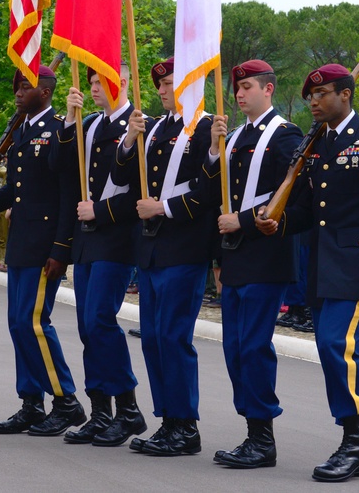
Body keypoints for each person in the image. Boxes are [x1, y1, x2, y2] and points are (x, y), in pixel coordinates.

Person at [258, 64, 359, 481]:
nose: (314, 102)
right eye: (310, 96)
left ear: (345, 94)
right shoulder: (317, 144)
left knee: (335, 345)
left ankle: (354, 440)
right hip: (322, 265)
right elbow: (307, 210)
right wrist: (279, 222)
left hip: (357, 267)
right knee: (332, 350)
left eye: (322, 94)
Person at [0, 65, 84, 437]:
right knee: (18, 326)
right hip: (22, 245)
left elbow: (69, 195)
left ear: (45, 92)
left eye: (25, 86)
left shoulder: (60, 131)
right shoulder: (23, 132)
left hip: (45, 247)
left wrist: (61, 249)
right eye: (16, 86)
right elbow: (20, 191)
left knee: (33, 324)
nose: (17, 92)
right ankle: (31, 403)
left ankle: (66, 401)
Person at [111, 57, 217, 456]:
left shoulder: (205, 127)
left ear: (190, 84)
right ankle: (167, 420)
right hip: (152, 249)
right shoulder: (156, 127)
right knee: (153, 339)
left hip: (184, 247)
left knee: (173, 338)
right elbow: (124, 178)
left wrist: (165, 208)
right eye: (159, 83)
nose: (160, 89)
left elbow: (208, 194)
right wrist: (126, 142)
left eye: (170, 82)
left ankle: (186, 426)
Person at [204, 59, 304, 468]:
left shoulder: (285, 135)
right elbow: (216, 191)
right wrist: (213, 149)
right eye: (238, 87)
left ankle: (262, 437)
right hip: (235, 256)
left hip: (266, 256)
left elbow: (293, 195)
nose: (240, 93)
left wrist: (243, 221)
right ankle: (251, 430)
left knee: (252, 347)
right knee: (233, 348)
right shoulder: (235, 136)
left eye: (248, 86)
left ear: (269, 89)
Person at [59, 63, 146, 447]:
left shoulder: (139, 124)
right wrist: (69, 119)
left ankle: (128, 409)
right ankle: (100, 411)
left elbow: (141, 190)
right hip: (87, 239)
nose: (93, 88)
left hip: (116, 237)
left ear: (122, 82)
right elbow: (59, 169)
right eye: (91, 82)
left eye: (101, 82)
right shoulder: (90, 124)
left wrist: (102, 211)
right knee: (85, 327)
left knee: (99, 320)